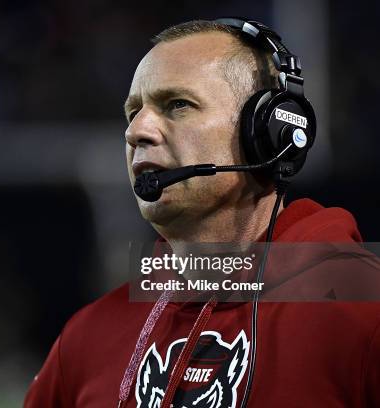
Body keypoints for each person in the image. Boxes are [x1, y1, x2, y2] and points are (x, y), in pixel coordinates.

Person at [24, 19, 380, 407]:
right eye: (132, 113)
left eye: (178, 104)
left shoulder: (363, 313)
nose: (137, 131)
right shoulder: (87, 338)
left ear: (266, 133)